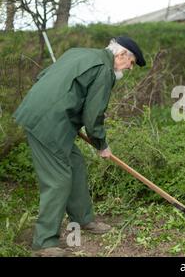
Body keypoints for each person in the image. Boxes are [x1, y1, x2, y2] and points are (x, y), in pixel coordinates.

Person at [13, 36, 146, 257]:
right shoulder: (104, 70)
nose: (130, 69)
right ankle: (44, 243)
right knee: (58, 180)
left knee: (75, 164)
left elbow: (43, 76)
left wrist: (66, 111)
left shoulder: (78, 52)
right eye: (131, 63)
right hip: (49, 124)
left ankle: (83, 219)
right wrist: (101, 144)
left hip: (45, 116)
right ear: (121, 55)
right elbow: (93, 114)